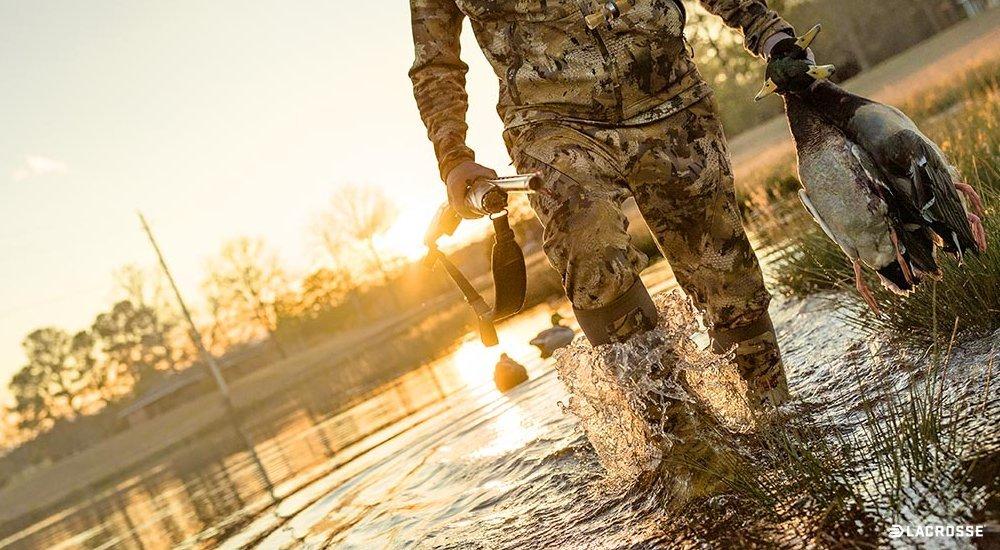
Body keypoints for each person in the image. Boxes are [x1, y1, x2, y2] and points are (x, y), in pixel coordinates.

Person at [409, 0, 807, 408]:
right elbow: (435, 63)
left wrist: (770, 34)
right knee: (588, 244)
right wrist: (453, 158)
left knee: (729, 282)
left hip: (670, 98)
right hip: (549, 122)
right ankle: (683, 445)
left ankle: (774, 425)